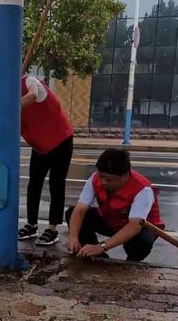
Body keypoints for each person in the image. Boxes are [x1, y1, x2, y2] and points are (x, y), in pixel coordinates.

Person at [66, 148, 164, 262]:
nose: (103, 182)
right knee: (72, 212)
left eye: (109, 179)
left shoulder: (143, 189)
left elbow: (134, 226)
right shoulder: (95, 179)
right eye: (101, 176)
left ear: (125, 176)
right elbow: (80, 210)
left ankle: (131, 264)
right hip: (112, 221)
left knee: (142, 243)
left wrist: (101, 246)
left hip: (140, 228)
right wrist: (73, 237)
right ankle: (95, 257)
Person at [18, 75, 74, 245]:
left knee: (56, 184)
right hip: (40, 145)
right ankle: (32, 225)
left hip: (60, 140)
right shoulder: (5, 94)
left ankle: (52, 229)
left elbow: (33, 95)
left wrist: (10, 105)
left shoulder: (29, 82)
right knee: (34, 184)